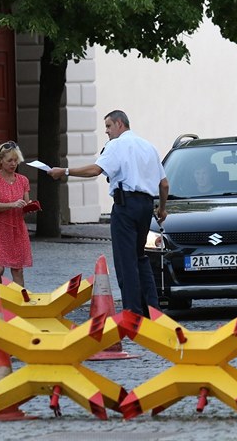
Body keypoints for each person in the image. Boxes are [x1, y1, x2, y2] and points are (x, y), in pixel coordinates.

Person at [48, 110, 169, 316]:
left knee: (126, 260)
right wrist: (162, 209)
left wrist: (65, 171)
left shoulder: (117, 145)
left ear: (119, 124)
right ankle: (152, 309)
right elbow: (164, 184)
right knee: (141, 257)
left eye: (108, 126)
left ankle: (133, 312)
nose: (106, 131)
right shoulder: (148, 147)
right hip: (146, 206)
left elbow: (95, 170)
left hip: (126, 205)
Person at [0, 141, 33, 287]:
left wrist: (31, 206)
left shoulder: (23, 180)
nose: (13, 164)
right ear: (0, 161)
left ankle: (19, 305)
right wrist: (12, 204)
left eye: (15, 160)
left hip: (17, 229)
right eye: (9, 160)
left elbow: (25, 204)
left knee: (18, 270)